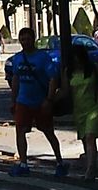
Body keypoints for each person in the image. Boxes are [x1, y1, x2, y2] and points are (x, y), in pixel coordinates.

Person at [4, 26, 67, 177]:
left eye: (28, 39)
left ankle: (60, 162)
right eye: (22, 39)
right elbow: (16, 80)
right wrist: (13, 100)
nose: (25, 42)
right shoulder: (18, 58)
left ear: (33, 40)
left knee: (48, 131)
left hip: (40, 101)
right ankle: (23, 163)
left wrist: (49, 99)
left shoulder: (43, 58)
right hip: (23, 101)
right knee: (20, 131)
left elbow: (53, 78)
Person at [68, 42, 98, 182]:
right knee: (84, 138)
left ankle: (91, 168)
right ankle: (91, 163)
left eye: (78, 58)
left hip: (94, 106)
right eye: (74, 58)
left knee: (90, 136)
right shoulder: (68, 72)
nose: (77, 61)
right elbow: (64, 90)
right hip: (79, 108)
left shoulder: (93, 68)